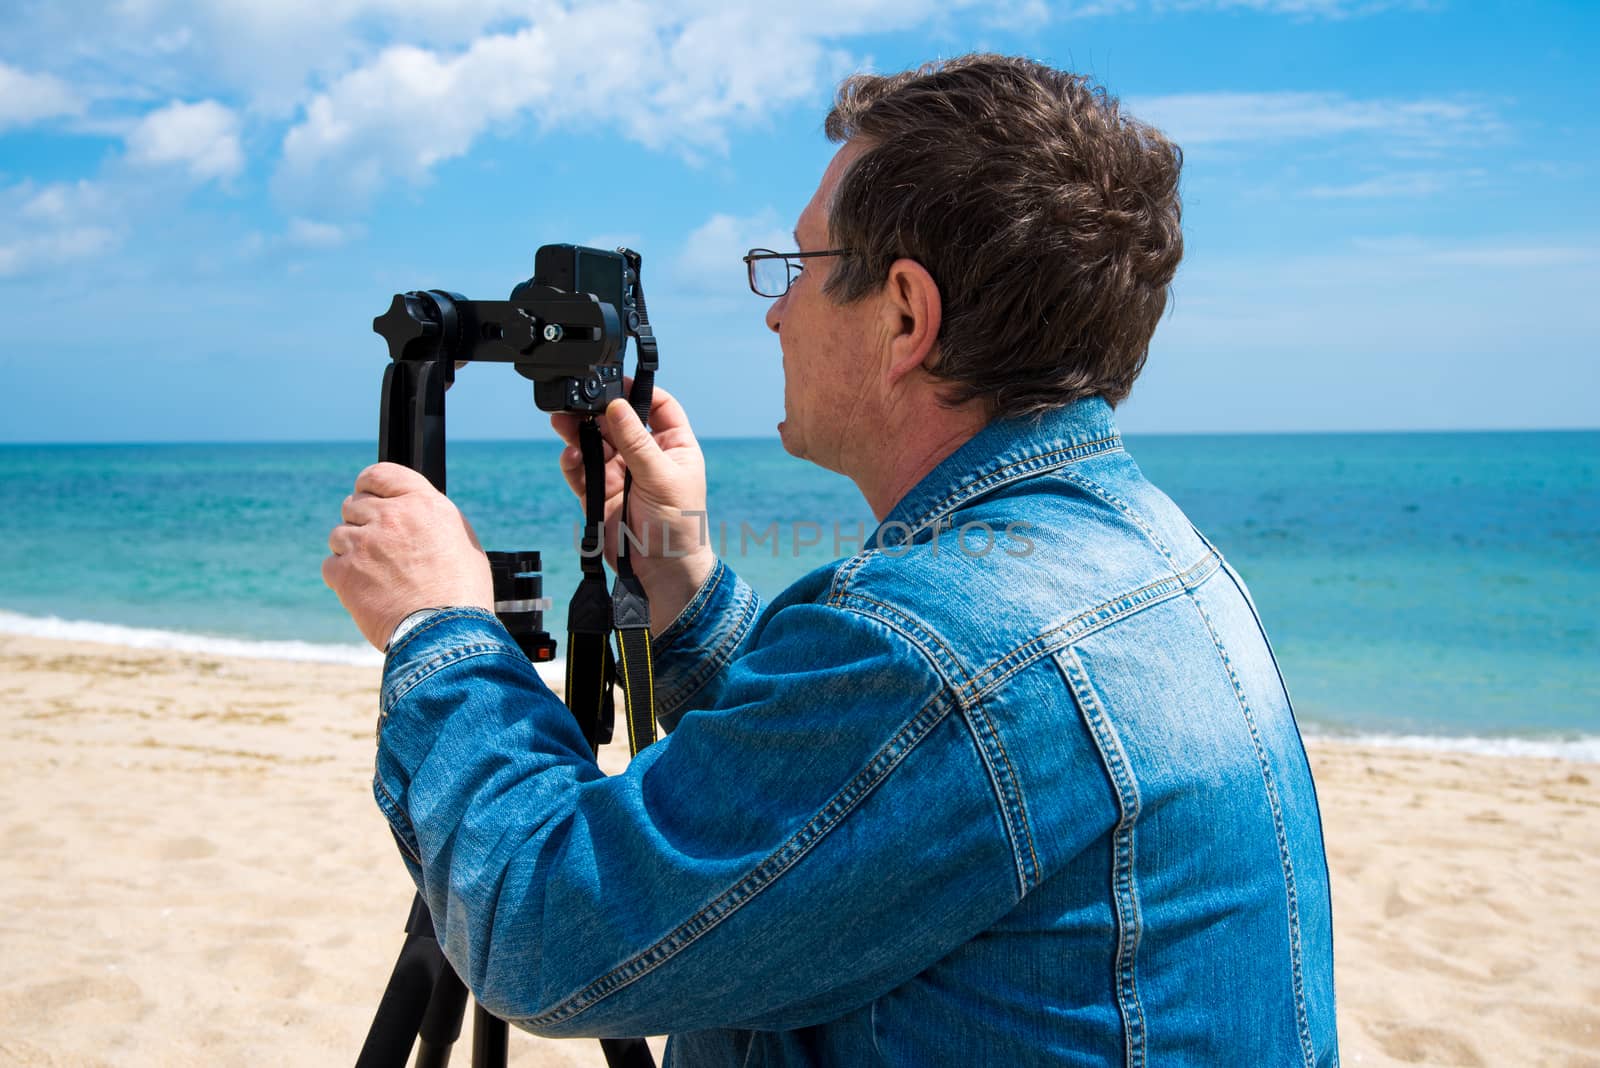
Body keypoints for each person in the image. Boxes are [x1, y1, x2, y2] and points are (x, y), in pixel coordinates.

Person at [325, 54, 1338, 1066]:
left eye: (797, 267)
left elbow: (538, 929)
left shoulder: (943, 651)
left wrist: (439, 627)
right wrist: (681, 585)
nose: (774, 311)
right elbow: (863, 794)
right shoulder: (1154, 553)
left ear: (904, 314)